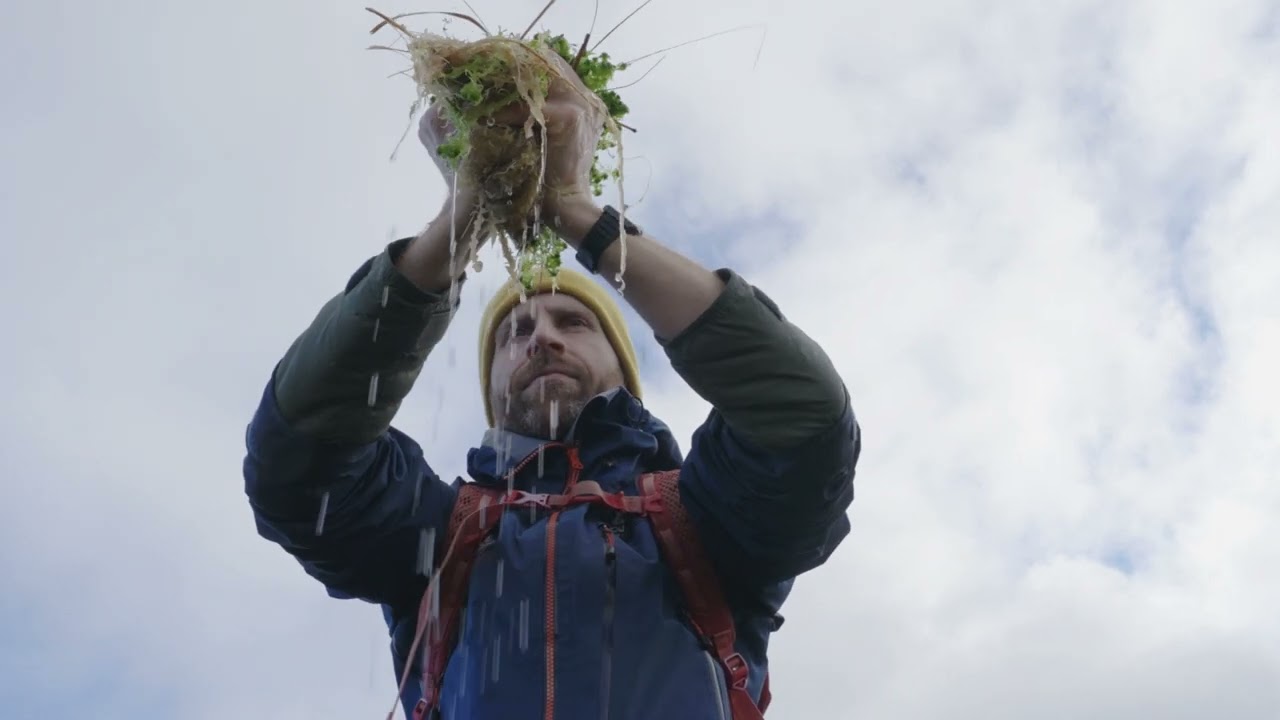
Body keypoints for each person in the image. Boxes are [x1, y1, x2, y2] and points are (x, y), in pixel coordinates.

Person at [243, 55, 861, 720]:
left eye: (573, 321)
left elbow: (803, 414)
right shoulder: (430, 534)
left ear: (628, 370)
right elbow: (295, 460)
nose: (541, 337)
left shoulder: (711, 519)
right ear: (491, 388)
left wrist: (576, 213)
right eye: (513, 334)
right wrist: (458, 225)